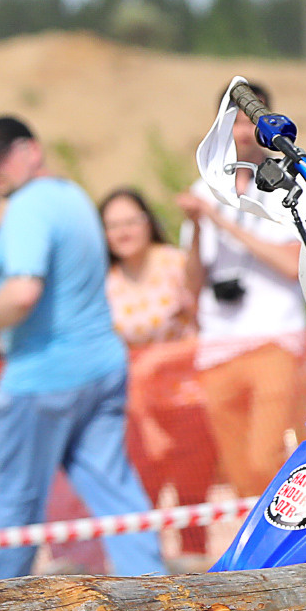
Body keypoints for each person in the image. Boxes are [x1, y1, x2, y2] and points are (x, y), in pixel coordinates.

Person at [0, 115, 162, 582]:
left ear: (32, 149)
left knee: (12, 503)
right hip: (103, 367)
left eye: (0, 155)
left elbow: (22, 291)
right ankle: (158, 594)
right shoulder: (72, 197)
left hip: (41, 378)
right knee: (117, 495)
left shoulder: (28, 207)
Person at [177, 85, 306, 501]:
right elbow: (192, 286)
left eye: (248, 121)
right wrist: (200, 227)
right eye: (233, 122)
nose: (240, 132)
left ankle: (296, 547)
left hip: (276, 339)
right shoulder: (204, 192)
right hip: (218, 344)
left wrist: (223, 221)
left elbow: (293, 266)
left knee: (265, 457)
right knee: (238, 472)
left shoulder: (291, 188)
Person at [102, 187, 216, 555]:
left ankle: (200, 584)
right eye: (113, 225)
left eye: (131, 221)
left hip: (186, 402)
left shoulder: (171, 262)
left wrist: (158, 360)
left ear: (147, 222)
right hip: (133, 410)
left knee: (191, 502)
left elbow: (205, 326)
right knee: (139, 500)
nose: (123, 231)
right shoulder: (106, 281)